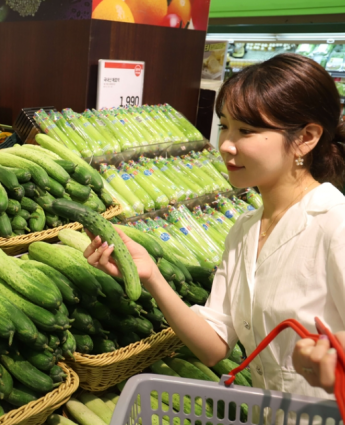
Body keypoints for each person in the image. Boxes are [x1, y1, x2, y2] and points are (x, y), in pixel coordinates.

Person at [84, 53, 345, 398]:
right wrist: (151, 277)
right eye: (224, 125)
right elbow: (214, 346)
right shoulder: (245, 230)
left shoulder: (334, 224)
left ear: (307, 137)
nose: (225, 144)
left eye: (246, 131)